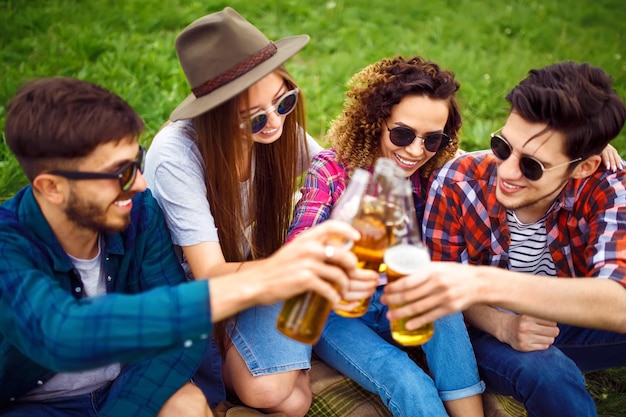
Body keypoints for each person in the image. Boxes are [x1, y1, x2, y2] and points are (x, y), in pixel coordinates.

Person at [0, 76, 370, 417]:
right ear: (52, 188)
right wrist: (266, 278)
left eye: (137, 162)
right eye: (121, 174)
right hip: (35, 403)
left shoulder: (140, 214)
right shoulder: (7, 246)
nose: (142, 185)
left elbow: (180, 339)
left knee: (189, 405)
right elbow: (64, 332)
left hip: (122, 384)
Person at [143, 8, 378, 417]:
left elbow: (337, 171)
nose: (275, 123)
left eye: (284, 100)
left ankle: (279, 358)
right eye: (254, 118)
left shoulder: (278, 130)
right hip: (199, 300)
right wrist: (300, 267)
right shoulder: (176, 155)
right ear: (214, 117)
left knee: (284, 398)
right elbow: (210, 274)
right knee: (279, 397)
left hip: (258, 277)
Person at [383, 61, 626, 417]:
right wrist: (503, 324)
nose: (507, 171)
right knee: (548, 373)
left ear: (584, 167)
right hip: (484, 331)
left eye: (533, 166)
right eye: (501, 146)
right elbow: (442, 301)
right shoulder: (458, 182)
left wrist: (483, 282)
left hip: (567, 321)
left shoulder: (608, 187)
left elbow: (618, 301)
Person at [287, 56, 485, 417]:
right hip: (339, 310)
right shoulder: (332, 171)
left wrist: (587, 149)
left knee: (445, 311)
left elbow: (504, 165)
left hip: (401, 296)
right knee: (407, 380)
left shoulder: (433, 169)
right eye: (403, 134)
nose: (414, 151)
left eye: (432, 140)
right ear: (374, 122)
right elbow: (300, 245)